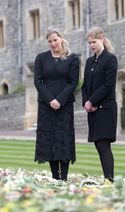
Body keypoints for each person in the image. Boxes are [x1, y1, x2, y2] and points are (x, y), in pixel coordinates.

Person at [34, 26, 79, 181]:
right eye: (50, 41)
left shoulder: (72, 58)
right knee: (50, 140)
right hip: (46, 106)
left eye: (55, 40)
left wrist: (59, 100)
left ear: (61, 38)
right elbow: (38, 82)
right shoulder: (41, 58)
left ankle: (64, 177)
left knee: (63, 139)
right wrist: (50, 100)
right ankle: (55, 177)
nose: (53, 44)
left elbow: (73, 82)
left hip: (64, 106)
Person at [81, 27, 118, 182]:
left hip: (106, 108)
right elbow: (85, 85)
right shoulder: (90, 61)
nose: (92, 45)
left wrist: (91, 101)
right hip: (93, 110)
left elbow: (108, 85)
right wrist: (85, 102)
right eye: (89, 43)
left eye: (94, 42)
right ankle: (107, 179)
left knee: (103, 144)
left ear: (102, 38)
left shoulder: (110, 59)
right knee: (98, 144)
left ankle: (109, 180)